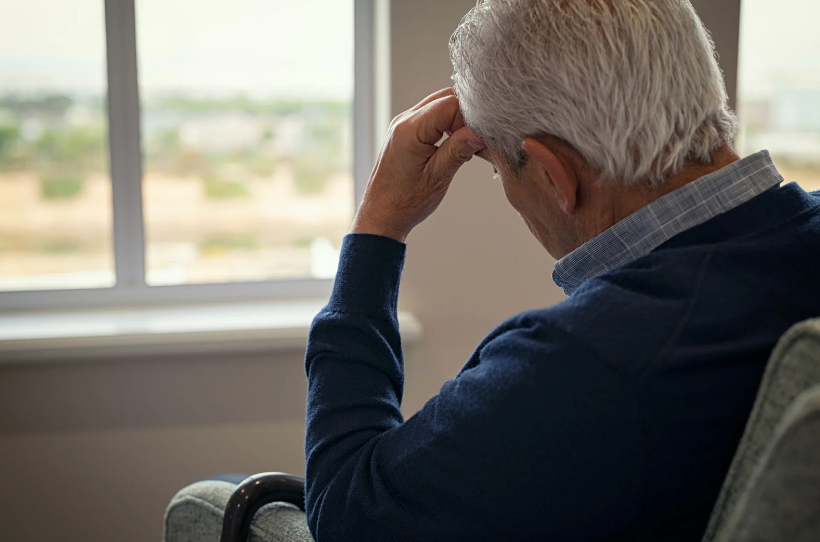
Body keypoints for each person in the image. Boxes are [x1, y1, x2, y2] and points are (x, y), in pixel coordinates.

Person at [304, 1, 820, 541]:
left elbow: (347, 511)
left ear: (554, 176)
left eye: (501, 169)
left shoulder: (590, 361)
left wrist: (377, 228)